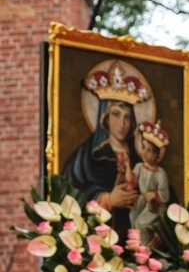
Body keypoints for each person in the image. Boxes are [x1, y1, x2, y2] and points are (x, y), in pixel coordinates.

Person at [63, 61, 147, 241]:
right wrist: (108, 199)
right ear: (105, 118)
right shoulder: (88, 156)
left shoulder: (140, 157)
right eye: (116, 114)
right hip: (102, 240)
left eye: (127, 117)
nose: (122, 124)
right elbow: (70, 191)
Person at [129, 120, 170, 244]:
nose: (144, 153)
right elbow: (132, 181)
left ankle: (145, 248)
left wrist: (153, 195)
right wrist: (125, 167)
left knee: (141, 223)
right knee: (132, 217)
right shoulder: (139, 167)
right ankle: (135, 247)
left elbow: (165, 194)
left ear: (156, 155)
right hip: (141, 201)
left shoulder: (160, 173)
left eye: (149, 150)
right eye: (144, 148)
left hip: (154, 206)